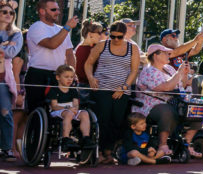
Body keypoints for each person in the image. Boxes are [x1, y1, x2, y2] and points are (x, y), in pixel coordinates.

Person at [84, 20, 140, 165]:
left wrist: (124, 86)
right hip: (102, 87)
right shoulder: (102, 45)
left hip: (121, 90)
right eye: (112, 36)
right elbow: (89, 63)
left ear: (124, 35)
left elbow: (134, 70)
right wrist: (90, 77)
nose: (115, 39)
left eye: (119, 37)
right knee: (103, 119)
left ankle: (109, 151)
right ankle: (101, 151)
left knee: (117, 121)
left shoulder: (132, 48)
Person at [136, 43, 199, 159]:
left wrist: (184, 74)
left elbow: (182, 85)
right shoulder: (149, 71)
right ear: (155, 55)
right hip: (151, 106)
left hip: (173, 102)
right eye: (165, 53)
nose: (168, 54)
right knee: (166, 111)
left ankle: (187, 143)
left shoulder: (169, 68)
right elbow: (166, 87)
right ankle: (162, 145)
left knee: (196, 109)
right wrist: (179, 73)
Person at [25, 0, 77, 113]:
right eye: (53, 9)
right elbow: (52, 44)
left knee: (58, 109)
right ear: (42, 11)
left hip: (58, 74)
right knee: (36, 110)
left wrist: (72, 74)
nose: (57, 12)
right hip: (38, 73)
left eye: (58, 9)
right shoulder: (36, 27)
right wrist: (67, 28)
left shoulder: (61, 30)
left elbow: (69, 54)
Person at [0, 0, 23, 161]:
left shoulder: (16, 33)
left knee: (5, 112)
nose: (9, 14)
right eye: (5, 12)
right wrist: (4, 44)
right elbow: (6, 50)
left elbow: (11, 53)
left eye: (12, 12)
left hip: (3, 78)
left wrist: (4, 47)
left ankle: (7, 148)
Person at [48, 64, 91, 150]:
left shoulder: (73, 90)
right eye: (66, 77)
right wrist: (68, 109)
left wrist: (75, 109)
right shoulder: (54, 90)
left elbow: (75, 104)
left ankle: (86, 138)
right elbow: (54, 106)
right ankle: (65, 138)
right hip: (58, 111)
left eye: (71, 77)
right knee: (69, 113)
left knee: (85, 113)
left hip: (71, 110)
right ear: (58, 77)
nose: (69, 79)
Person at [74, 21, 106, 86]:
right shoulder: (82, 50)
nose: (101, 35)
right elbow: (81, 73)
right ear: (90, 34)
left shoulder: (93, 47)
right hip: (85, 86)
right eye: (99, 33)